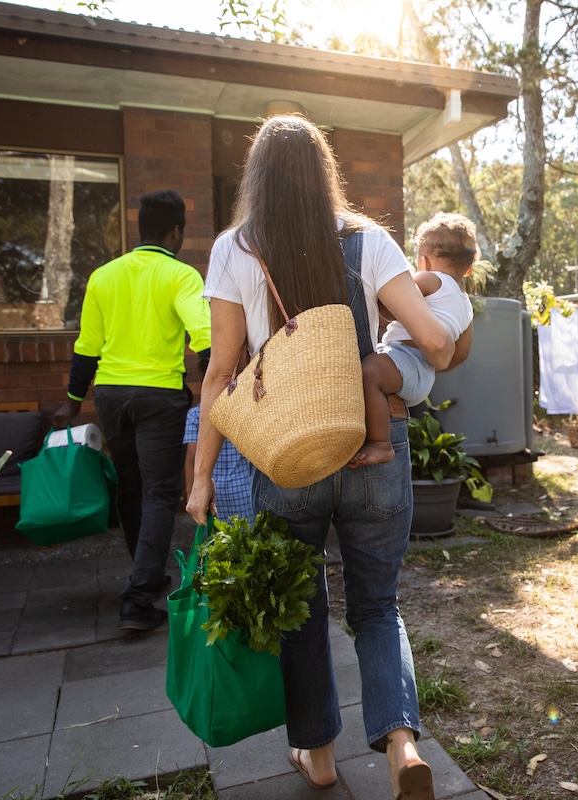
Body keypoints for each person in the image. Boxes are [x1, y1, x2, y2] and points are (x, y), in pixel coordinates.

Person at [186, 114, 453, 800]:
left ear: (257, 178)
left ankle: (321, 758)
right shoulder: (371, 241)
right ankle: (400, 744)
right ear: (325, 171)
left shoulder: (233, 248)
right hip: (377, 452)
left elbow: (219, 375)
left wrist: (201, 478)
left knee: (300, 608)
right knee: (376, 606)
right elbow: (434, 343)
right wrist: (432, 330)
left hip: (290, 457)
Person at [54, 189, 210, 633]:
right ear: (176, 231)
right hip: (158, 398)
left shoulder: (104, 276)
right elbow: (203, 337)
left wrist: (71, 401)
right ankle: (139, 597)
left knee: (131, 490)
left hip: (110, 397)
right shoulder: (181, 276)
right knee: (161, 494)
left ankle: (147, 574)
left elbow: (87, 347)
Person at [350, 212, 476, 467]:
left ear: (424, 261)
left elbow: (394, 302)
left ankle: (381, 444)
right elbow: (460, 354)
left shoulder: (430, 279)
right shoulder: (466, 307)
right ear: (470, 268)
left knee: (369, 372)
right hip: (422, 371)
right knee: (371, 368)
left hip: (406, 359)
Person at [183, 403, 254, 524]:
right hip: (243, 490)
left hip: (210, 493)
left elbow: (191, 454)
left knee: (213, 539)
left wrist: (190, 492)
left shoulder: (195, 415)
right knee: (248, 538)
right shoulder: (242, 411)